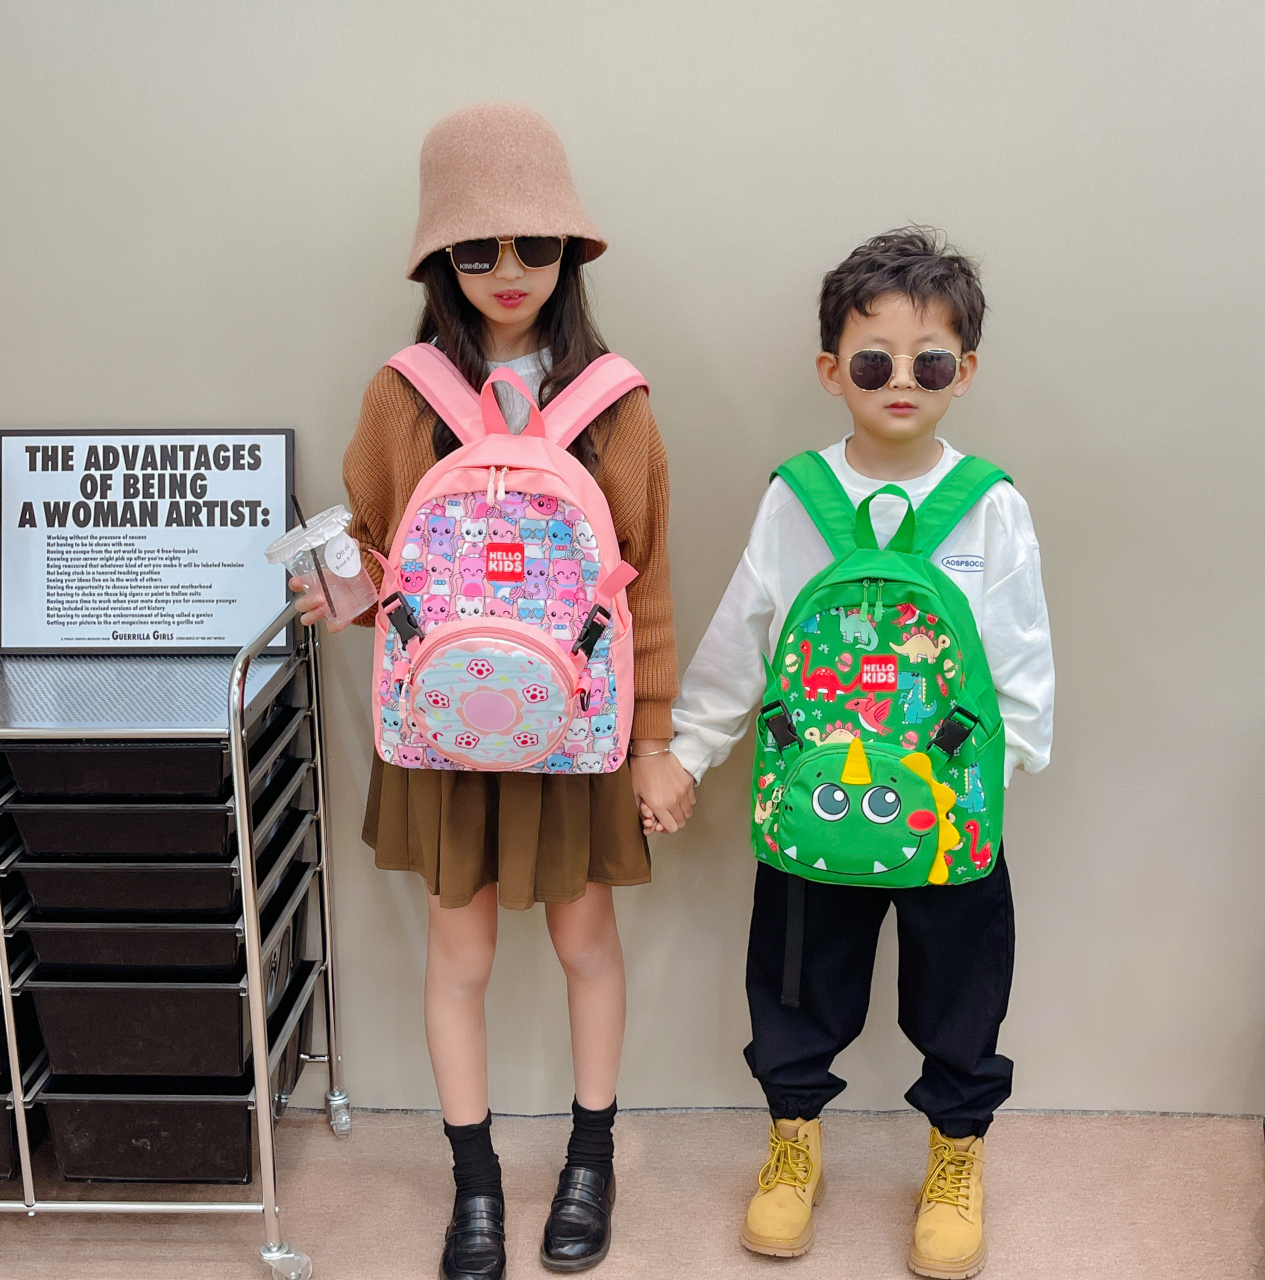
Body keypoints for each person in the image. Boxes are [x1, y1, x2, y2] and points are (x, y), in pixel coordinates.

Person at [293, 103, 690, 1279]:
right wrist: (340, 586)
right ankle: (474, 1179)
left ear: (571, 251)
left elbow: (645, 581)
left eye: (535, 244)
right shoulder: (400, 394)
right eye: (476, 248)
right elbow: (377, 554)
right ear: (437, 260)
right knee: (456, 952)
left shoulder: (616, 400)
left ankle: (590, 1156)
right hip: (443, 724)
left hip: (577, 724)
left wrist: (654, 738)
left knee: (585, 940)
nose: (508, 270)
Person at [643, 227, 1054, 1277]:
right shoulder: (797, 496)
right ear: (831, 371)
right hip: (809, 799)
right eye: (873, 362)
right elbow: (746, 634)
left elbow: (1019, 656)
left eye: (929, 362)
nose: (900, 382)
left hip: (949, 805)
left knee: (959, 984)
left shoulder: (991, 506)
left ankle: (955, 1152)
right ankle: (794, 1143)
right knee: (795, 978)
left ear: (965, 371)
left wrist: (998, 776)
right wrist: (689, 749)